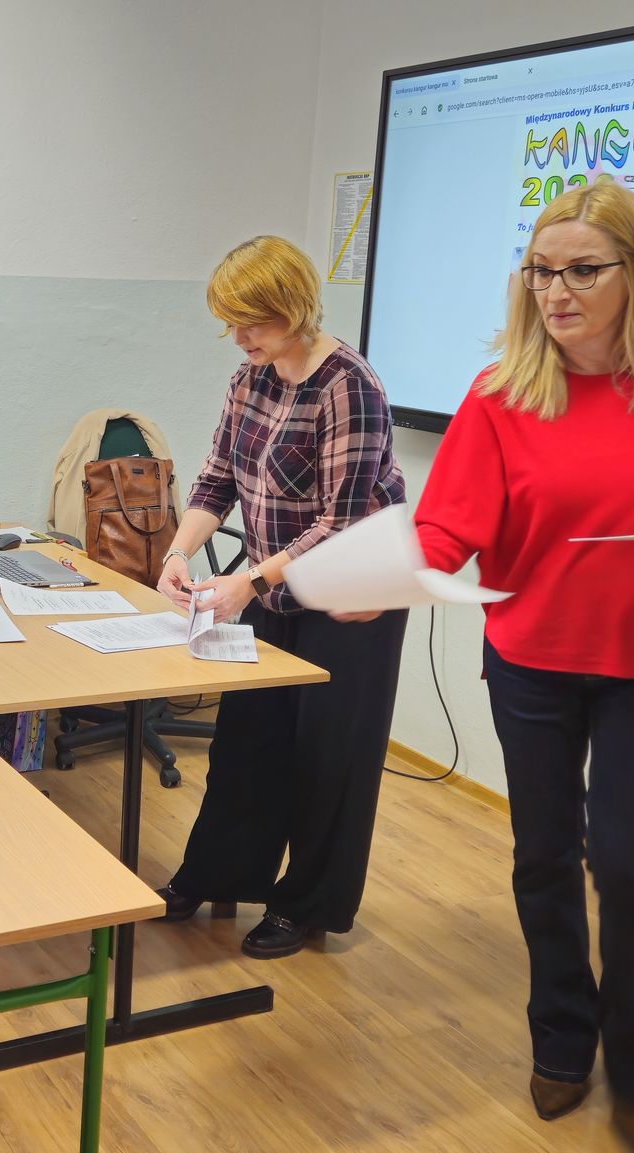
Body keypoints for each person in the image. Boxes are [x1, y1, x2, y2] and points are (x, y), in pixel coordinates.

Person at [412, 181, 634, 1152]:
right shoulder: (501, 393)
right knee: (542, 853)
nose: (555, 291)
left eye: (581, 270)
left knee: (626, 858)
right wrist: (395, 577)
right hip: (531, 658)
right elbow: (447, 524)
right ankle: (562, 1041)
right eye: (540, 271)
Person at [151, 236, 411, 959]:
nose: (239, 337)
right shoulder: (251, 378)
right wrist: (177, 552)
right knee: (248, 739)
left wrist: (251, 581)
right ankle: (216, 875)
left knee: (329, 757)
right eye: (231, 323)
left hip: (352, 595)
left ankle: (306, 907)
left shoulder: (349, 386)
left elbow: (341, 522)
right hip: (273, 586)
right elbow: (216, 479)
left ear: (293, 308)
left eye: (252, 322)